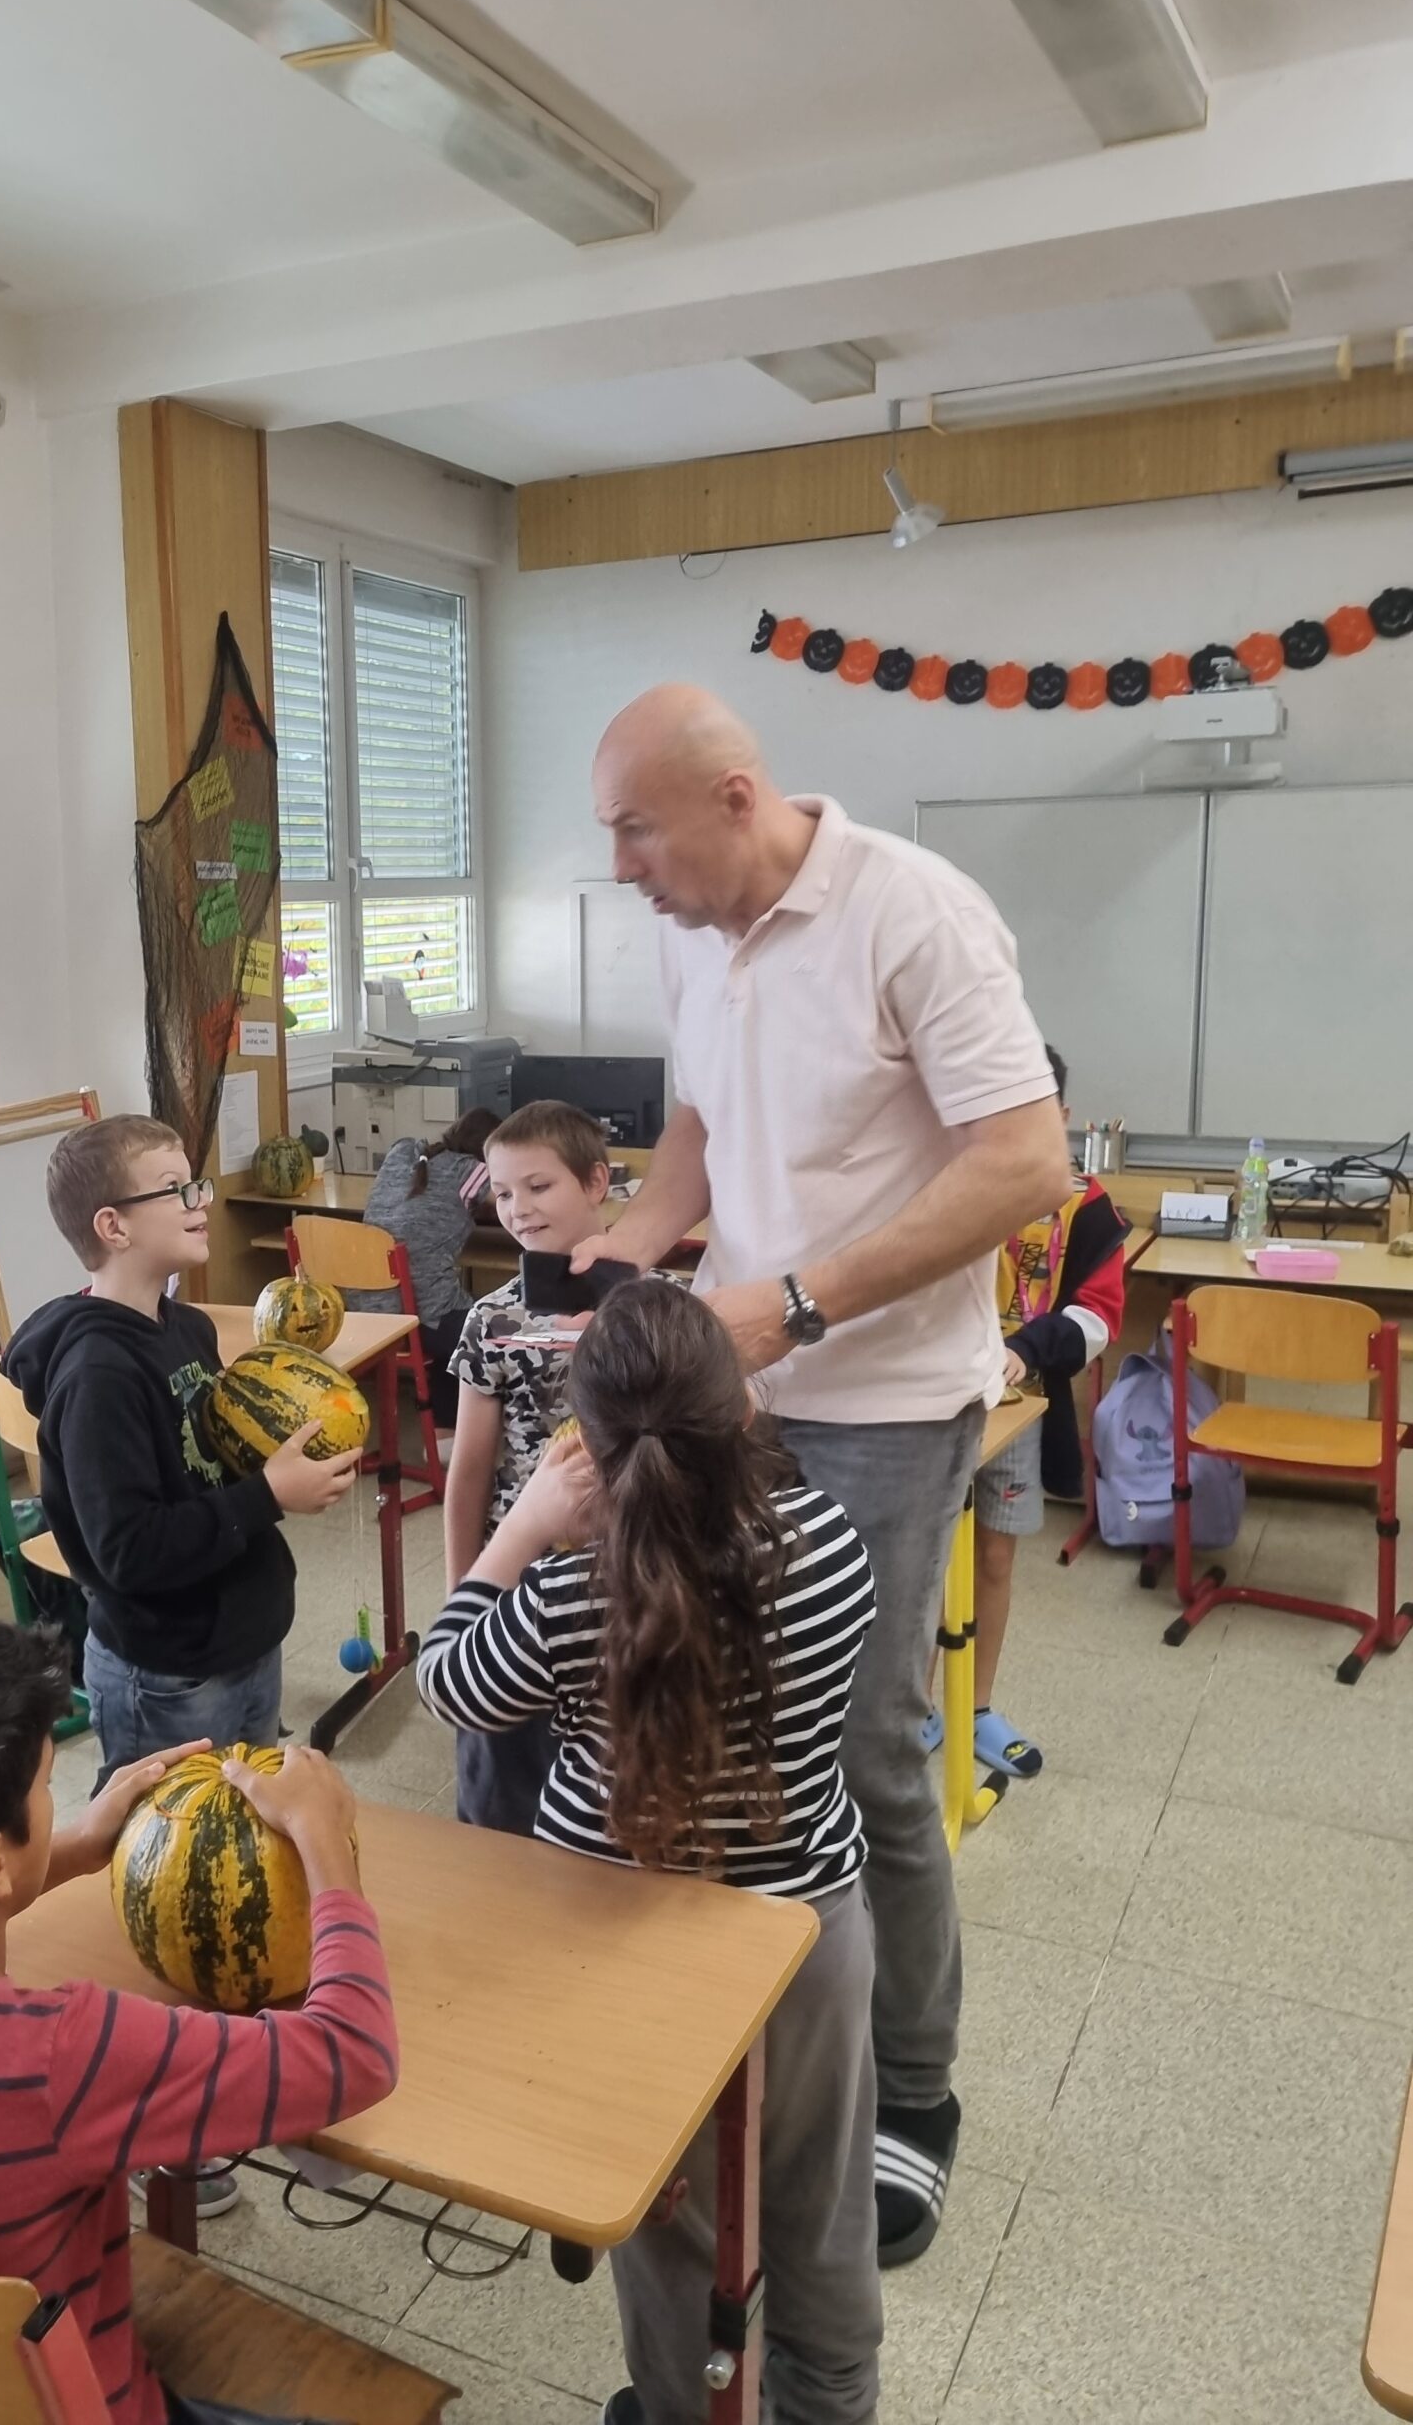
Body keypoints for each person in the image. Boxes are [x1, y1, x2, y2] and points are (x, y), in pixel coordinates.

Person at [578, 686, 1070, 2265]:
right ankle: (756, 2026)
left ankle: (911, 2093)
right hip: (735, 1388)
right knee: (722, 1729)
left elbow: (1028, 1161)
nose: (623, 867)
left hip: (881, 1402)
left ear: (736, 796)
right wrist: (623, 1254)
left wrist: (791, 1306)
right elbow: (701, 1123)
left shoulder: (914, 912)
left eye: (637, 831)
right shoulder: (694, 932)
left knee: (861, 1750)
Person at [418, 1280, 878, 2425]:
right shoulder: (828, 1542)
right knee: (820, 2198)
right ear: (742, 1409)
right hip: (806, 1928)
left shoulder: (570, 1588)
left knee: (673, 2225)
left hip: (622, 1941)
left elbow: (448, 1683)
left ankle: (684, 2410)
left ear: (586, 1444)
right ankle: (833, 2403)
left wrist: (523, 1528)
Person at [0, 1612, 397, 2425]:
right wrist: (320, 1836)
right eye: (46, 1788)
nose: (57, 1804)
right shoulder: (58, 2056)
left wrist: (79, 1845)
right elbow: (354, 2052)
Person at [3, 1113, 358, 1779]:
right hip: (168, 1673)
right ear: (114, 1227)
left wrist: (287, 1457)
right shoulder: (98, 1376)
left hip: (243, 1640)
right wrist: (268, 1495)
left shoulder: (187, 1328)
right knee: (171, 1834)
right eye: (175, 1189)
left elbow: (208, 1467)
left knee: (246, 1821)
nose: (201, 1201)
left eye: (196, 1184)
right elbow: (129, 1550)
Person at [925, 1043, 1128, 1780]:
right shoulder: (943, 1182)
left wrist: (1026, 1348)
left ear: (1060, 1115)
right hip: (934, 1401)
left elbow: (1099, 1318)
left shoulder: (1086, 1206)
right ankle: (916, 1705)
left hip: (1019, 1403)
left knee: (996, 1556)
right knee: (925, 1560)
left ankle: (976, 1707)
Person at [442, 1099, 618, 1834]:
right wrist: (463, 1596)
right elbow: (468, 1471)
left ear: (597, 1182)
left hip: (623, 1587)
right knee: (499, 1799)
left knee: (606, 1797)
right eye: (504, 1192)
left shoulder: (659, 1306)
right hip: (515, 1587)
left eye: (539, 1187)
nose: (518, 1209)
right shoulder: (493, 1320)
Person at [349, 1106, 500, 1428]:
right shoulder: (469, 1170)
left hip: (366, 1310)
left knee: (462, 1317)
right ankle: (458, 1438)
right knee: (485, 1330)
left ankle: (445, 1439)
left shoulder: (402, 1153)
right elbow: (513, 1198)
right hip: (416, 1320)